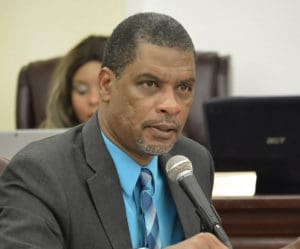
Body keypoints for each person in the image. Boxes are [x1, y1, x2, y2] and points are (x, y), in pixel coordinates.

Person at [0, 12, 228, 249]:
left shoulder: (193, 163)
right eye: (150, 84)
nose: (171, 105)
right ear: (106, 85)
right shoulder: (40, 173)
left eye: (184, 87)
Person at [41, 35, 108, 128]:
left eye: (105, 87)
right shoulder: (47, 141)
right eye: (82, 90)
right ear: (67, 98)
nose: (93, 99)